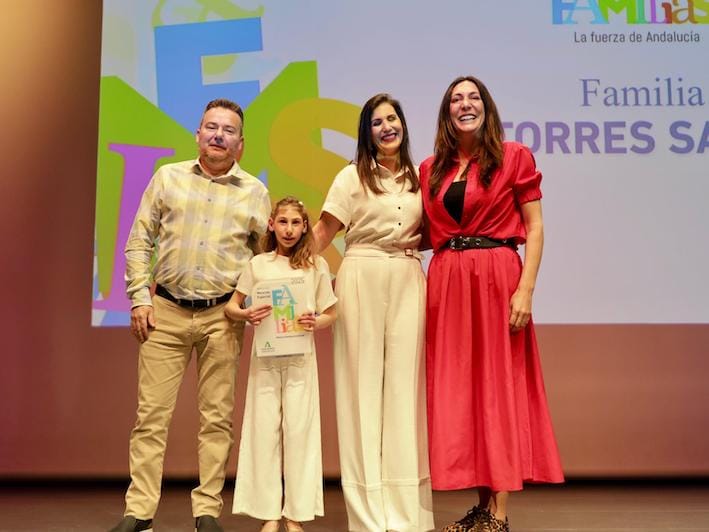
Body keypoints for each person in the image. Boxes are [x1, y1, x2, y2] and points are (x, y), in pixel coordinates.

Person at [109, 98, 271, 532]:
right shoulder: (168, 177)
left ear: (240, 143)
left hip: (222, 317)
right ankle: (139, 511)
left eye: (228, 130)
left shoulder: (254, 192)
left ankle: (207, 511)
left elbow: (265, 260)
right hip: (165, 312)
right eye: (211, 127)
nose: (218, 135)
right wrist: (139, 298)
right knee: (151, 417)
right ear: (198, 134)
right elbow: (139, 240)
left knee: (217, 419)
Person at [420, 76, 564, 532]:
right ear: (446, 112)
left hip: (497, 277)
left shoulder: (514, 155)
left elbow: (535, 227)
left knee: (497, 388)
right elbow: (421, 231)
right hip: (448, 281)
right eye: (456, 99)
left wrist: (526, 289)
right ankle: (482, 506)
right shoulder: (431, 168)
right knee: (464, 392)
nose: (465, 104)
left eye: (473, 97)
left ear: (486, 107)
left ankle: (499, 512)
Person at [313, 93, 434, 532]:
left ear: (403, 124)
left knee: (405, 392)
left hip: (407, 276)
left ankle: (407, 514)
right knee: (360, 392)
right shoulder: (351, 177)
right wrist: (287, 270)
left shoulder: (421, 178)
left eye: (392, 118)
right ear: (366, 133)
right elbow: (323, 232)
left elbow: (434, 232)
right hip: (360, 272)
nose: (387, 127)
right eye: (377, 122)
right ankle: (367, 517)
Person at [228, 196, 337, 532]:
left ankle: (295, 514)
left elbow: (331, 312)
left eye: (296, 223)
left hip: (300, 360)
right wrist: (246, 314)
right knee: (263, 433)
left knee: (300, 433)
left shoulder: (315, 265)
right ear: (272, 224)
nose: (289, 230)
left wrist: (315, 321)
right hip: (265, 359)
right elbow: (232, 306)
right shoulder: (258, 264)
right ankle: (269, 513)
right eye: (283, 222)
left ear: (305, 227)